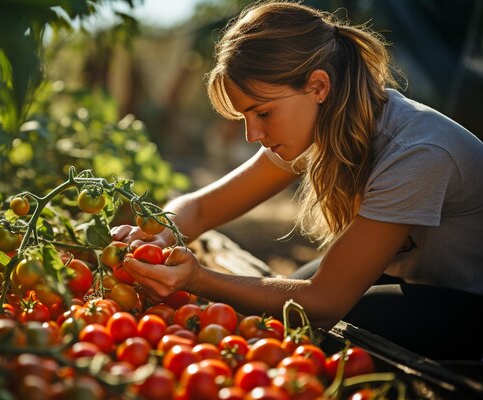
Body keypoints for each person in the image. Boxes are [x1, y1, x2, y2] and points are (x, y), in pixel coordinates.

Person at [112, 1, 483, 361]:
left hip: (471, 299)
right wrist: (159, 232)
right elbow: (202, 206)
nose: (252, 134)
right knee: (284, 295)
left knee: (343, 318)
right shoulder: (326, 122)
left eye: (263, 112)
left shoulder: (417, 153)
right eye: (245, 116)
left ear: (318, 86)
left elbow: (324, 302)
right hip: (419, 278)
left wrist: (199, 279)